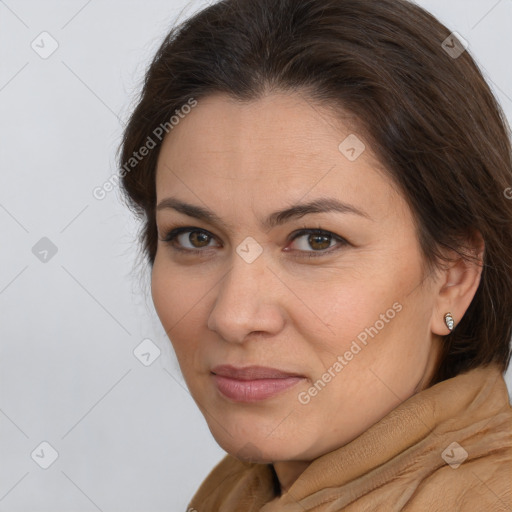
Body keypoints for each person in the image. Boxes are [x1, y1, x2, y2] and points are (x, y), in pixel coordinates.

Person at [117, 0, 512, 509]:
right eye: (196, 237)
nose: (234, 317)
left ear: (454, 276)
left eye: (315, 240)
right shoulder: (239, 493)